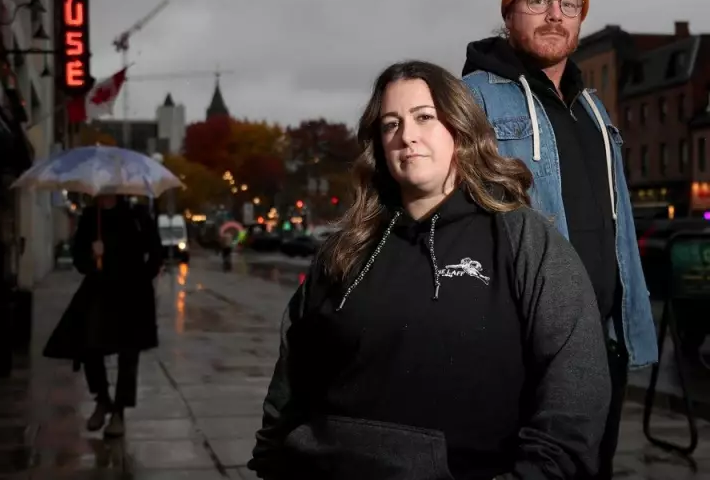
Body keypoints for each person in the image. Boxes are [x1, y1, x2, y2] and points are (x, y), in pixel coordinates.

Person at [248, 61, 611, 480]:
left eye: (424, 117)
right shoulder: (344, 250)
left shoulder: (522, 239)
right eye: (390, 124)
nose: (407, 136)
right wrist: (272, 464)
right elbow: (291, 380)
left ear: (459, 126)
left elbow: (576, 398)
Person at [461, 0, 658, 479]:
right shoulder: (469, 101)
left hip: (600, 345)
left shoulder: (593, 108)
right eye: (538, 0)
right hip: (522, 348)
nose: (555, 13)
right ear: (509, 15)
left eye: (569, 4)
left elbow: (619, 225)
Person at [43, 195, 163, 438]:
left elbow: (156, 252)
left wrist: (140, 278)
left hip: (132, 294)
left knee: (128, 354)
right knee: (89, 347)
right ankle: (102, 398)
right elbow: (78, 257)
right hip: (99, 291)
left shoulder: (137, 215)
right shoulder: (90, 217)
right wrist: (92, 257)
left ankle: (119, 411)